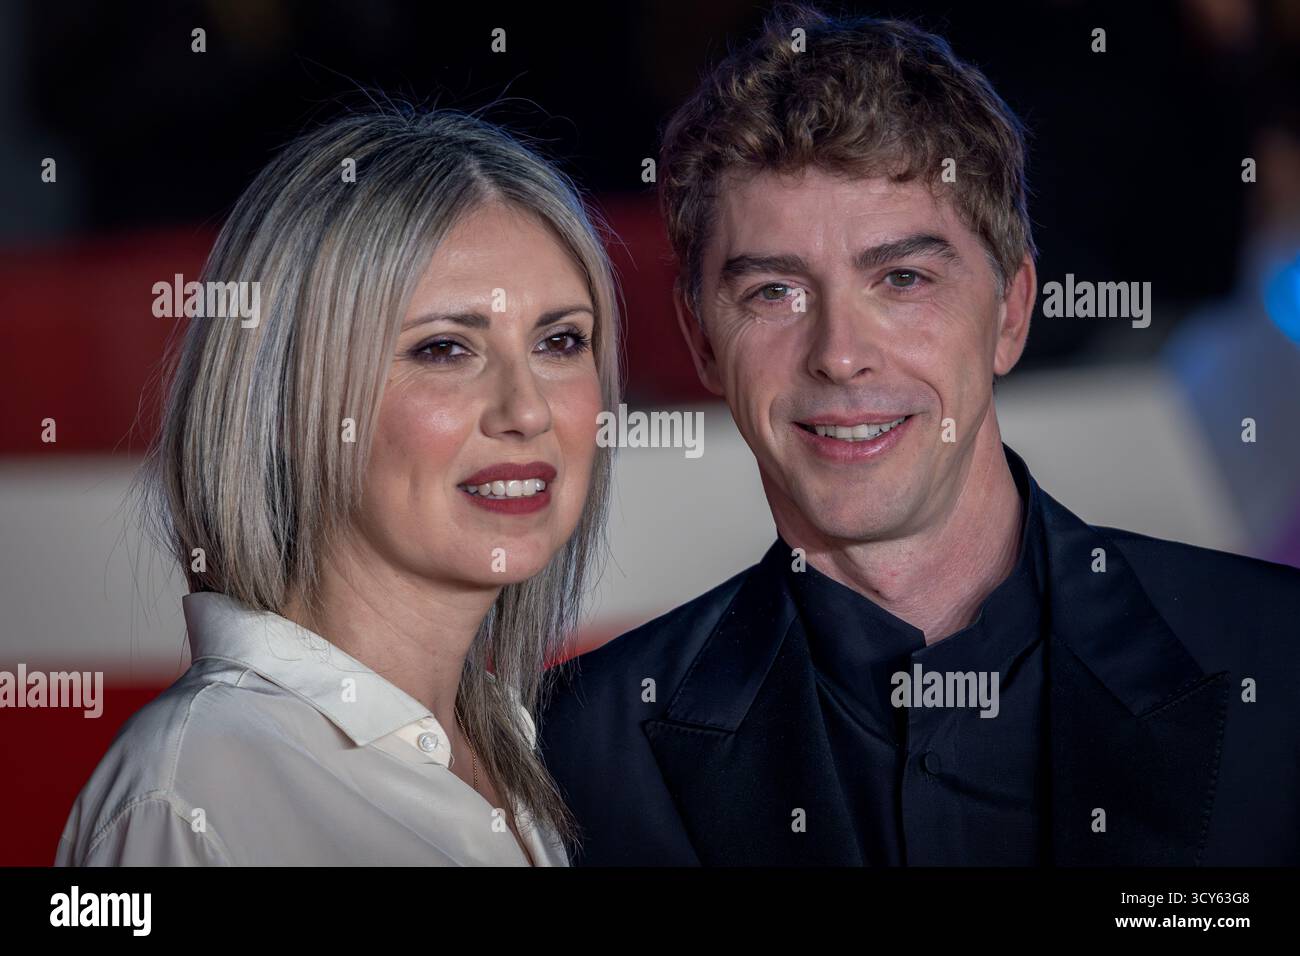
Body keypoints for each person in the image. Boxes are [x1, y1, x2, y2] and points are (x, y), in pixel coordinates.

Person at [538, 6, 1300, 865]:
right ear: (704, 343)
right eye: (773, 293)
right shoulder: (581, 750)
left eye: (902, 279)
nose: (840, 356)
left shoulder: (1280, 661)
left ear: (1011, 311)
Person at [55, 106, 621, 865]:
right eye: (445, 348)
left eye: (560, 341)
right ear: (286, 400)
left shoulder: (522, 743)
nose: (526, 409)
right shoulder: (188, 793)